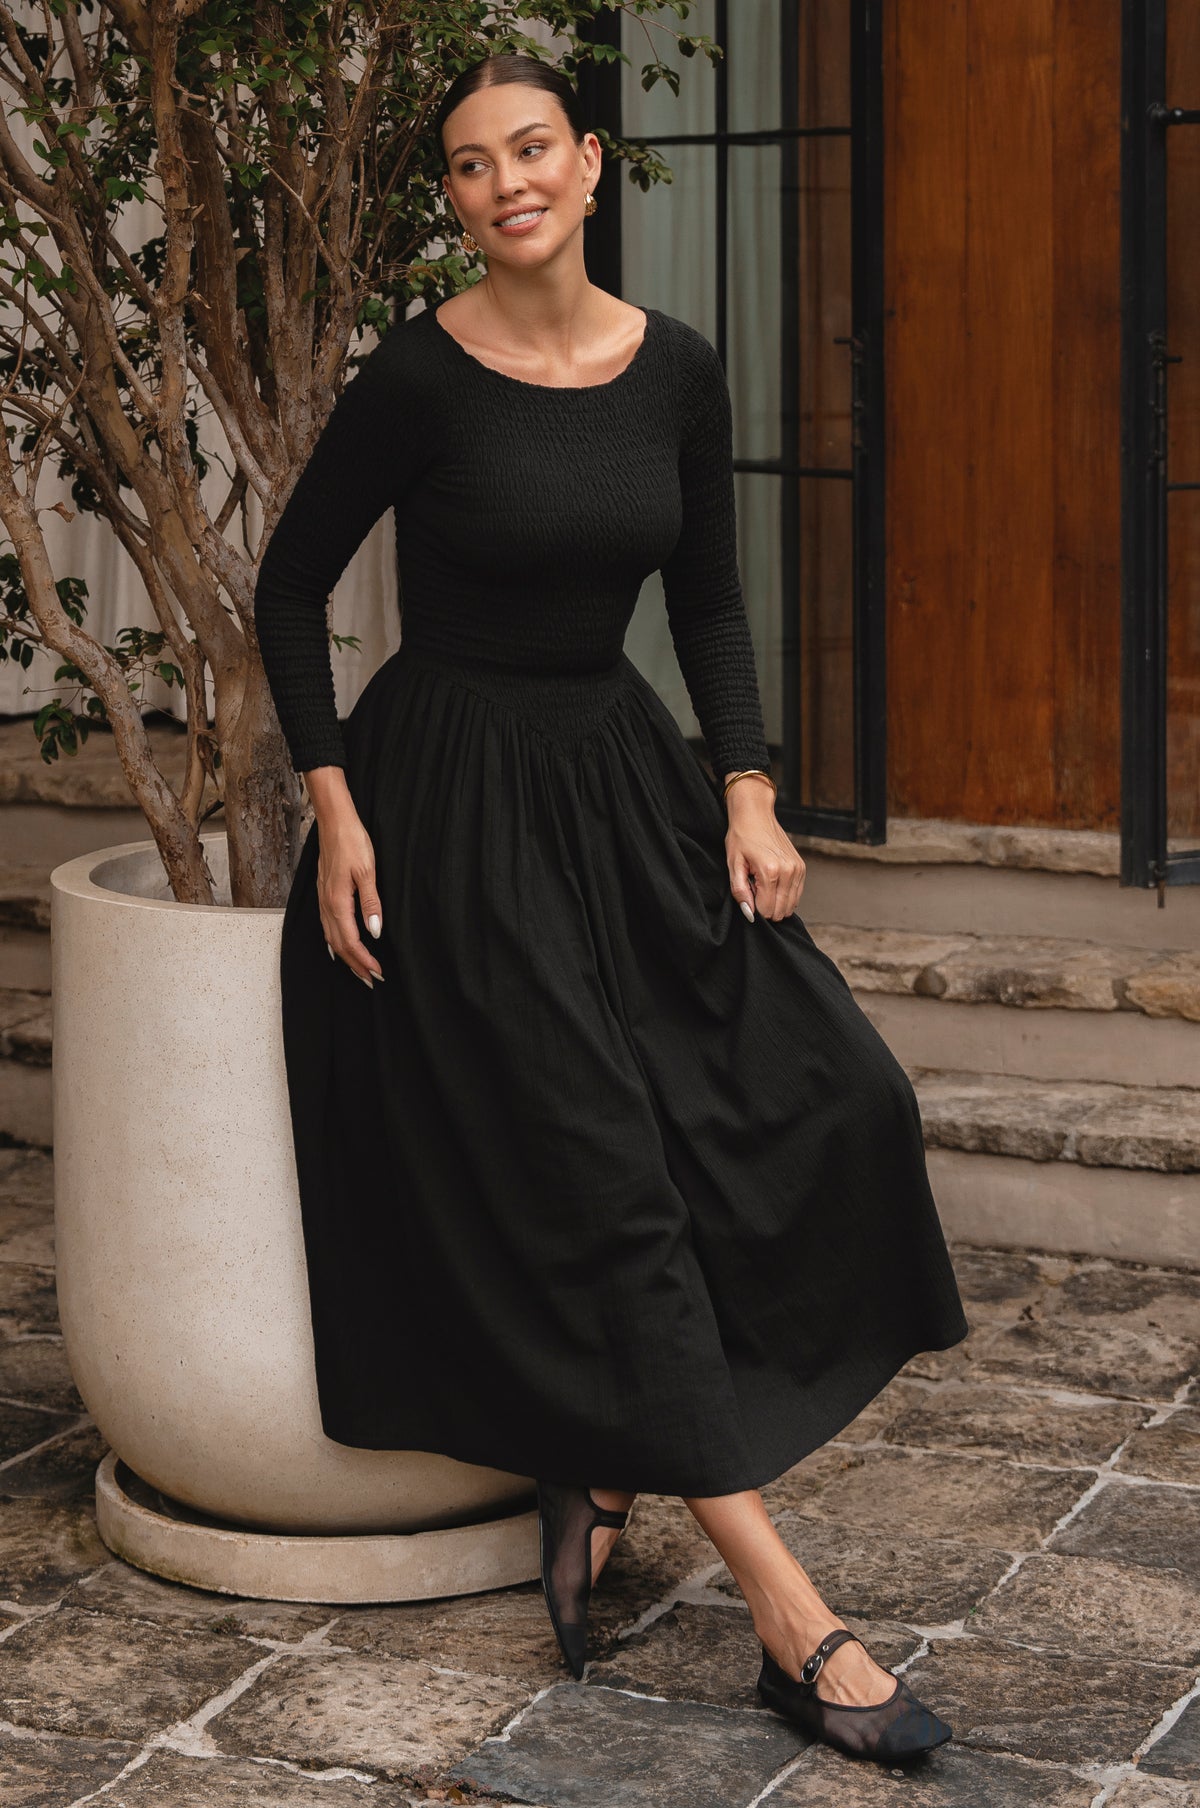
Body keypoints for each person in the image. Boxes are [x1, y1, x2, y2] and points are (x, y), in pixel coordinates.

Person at [253, 49, 970, 1766]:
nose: (505, 182)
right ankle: (792, 1622)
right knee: (607, 1180)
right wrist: (336, 806)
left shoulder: (679, 371)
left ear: (589, 163)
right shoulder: (420, 378)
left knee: (841, 1094)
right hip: (451, 805)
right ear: (455, 200)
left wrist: (749, 787)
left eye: (531, 149)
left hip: (624, 777)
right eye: (469, 164)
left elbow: (709, 604)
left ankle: (602, 1453)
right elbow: (288, 591)